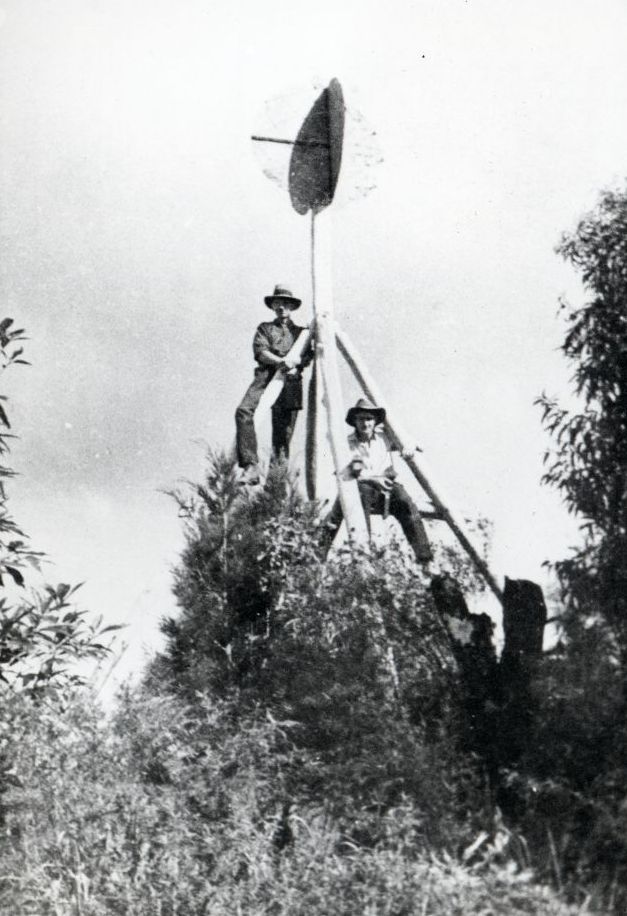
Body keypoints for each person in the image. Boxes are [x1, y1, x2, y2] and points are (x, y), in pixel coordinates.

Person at [321, 397, 432, 564]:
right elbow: (343, 473)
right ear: (354, 421)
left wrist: (408, 446)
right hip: (362, 488)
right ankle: (364, 554)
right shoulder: (346, 443)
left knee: (404, 500)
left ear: (375, 421)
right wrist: (373, 479)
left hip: (387, 488)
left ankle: (424, 557)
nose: (365, 423)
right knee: (358, 500)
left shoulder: (384, 437)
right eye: (361, 419)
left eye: (369, 419)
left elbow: (412, 443)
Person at [235, 285, 310, 483]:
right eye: (277, 302)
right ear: (273, 305)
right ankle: (251, 466)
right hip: (266, 375)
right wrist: (279, 362)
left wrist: (295, 361)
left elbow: (308, 356)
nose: (281, 307)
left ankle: (275, 487)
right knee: (244, 411)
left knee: (282, 437)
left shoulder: (302, 333)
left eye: (285, 303)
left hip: (290, 382)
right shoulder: (265, 328)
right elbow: (260, 351)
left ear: (292, 307)